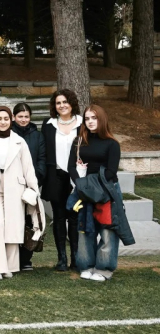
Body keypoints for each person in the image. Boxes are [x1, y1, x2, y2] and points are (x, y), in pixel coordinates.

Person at [69, 105, 133, 281]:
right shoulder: (78, 141)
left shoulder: (112, 144)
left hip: (106, 191)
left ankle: (104, 269)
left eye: (94, 118)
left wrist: (91, 186)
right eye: (87, 118)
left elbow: (111, 172)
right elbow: (71, 167)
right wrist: (81, 185)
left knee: (107, 230)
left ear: (102, 119)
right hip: (84, 191)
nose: (90, 121)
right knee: (85, 229)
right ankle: (86, 265)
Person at [0, 107, 40, 280]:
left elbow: (28, 168)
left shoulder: (19, 142)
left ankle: (10, 266)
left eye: (5, 118)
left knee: (12, 227)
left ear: (10, 120)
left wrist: (34, 190)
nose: (2, 122)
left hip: (15, 188)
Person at [41, 89, 82, 271]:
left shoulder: (82, 123)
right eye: (58, 103)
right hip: (56, 176)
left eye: (65, 102)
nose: (62, 105)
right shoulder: (48, 124)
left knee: (74, 218)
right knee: (59, 218)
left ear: (71, 103)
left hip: (77, 177)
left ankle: (76, 258)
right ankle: (62, 259)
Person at [11, 102, 46, 271]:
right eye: (20, 116)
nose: (23, 119)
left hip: (31, 185)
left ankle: (26, 258)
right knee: (13, 221)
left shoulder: (37, 136)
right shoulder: (8, 134)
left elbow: (41, 160)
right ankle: (12, 257)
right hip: (12, 185)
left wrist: (34, 180)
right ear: (13, 117)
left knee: (30, 221)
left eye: (26, 116)